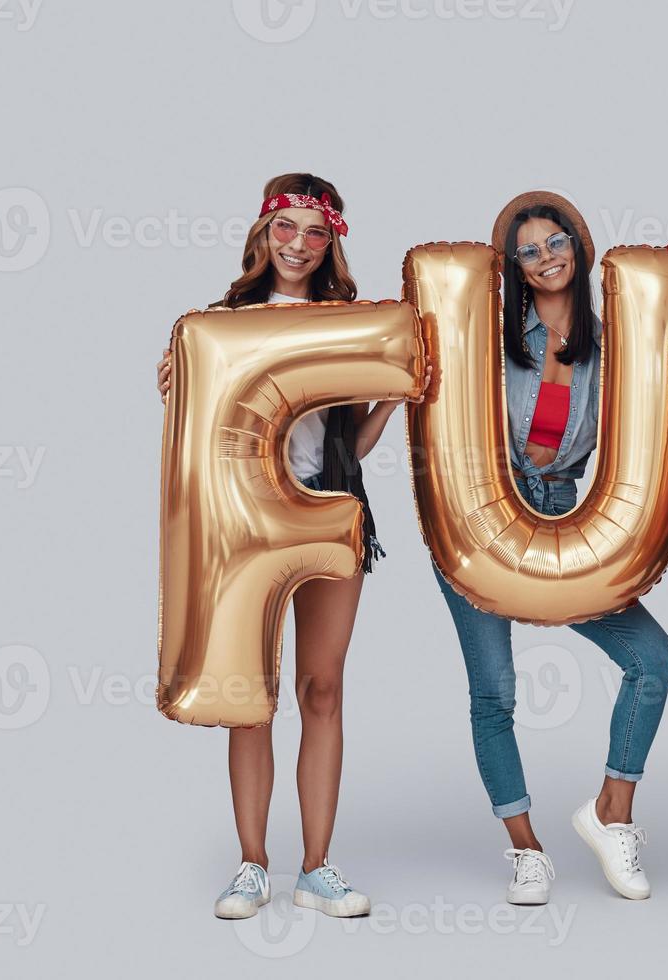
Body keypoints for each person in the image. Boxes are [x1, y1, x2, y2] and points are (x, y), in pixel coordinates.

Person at [155, 173, 415, 919]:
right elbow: (192, 435)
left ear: (332, 241)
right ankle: (250, 864)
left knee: (322, 689)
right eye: (286, 228)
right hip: (244, 529)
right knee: (249, 696)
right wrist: (173, 387)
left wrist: (392, 399)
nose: (298, 244)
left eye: (315, 231)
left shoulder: (346, 324)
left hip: (331, 512)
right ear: (263, 233)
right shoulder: (220, 322)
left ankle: (318, 867)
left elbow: (354, 444)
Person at [431, 190, 668, 905]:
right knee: (493, 692)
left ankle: (611, 813)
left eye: (555, 242)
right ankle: (525, 850)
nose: (545, 259)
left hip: (566, 519)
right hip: (477, 518)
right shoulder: (488, 335)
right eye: (528, 251)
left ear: (580, 243)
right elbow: (411, 363)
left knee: (651, 660)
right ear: (512, 267)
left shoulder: (618, 344)